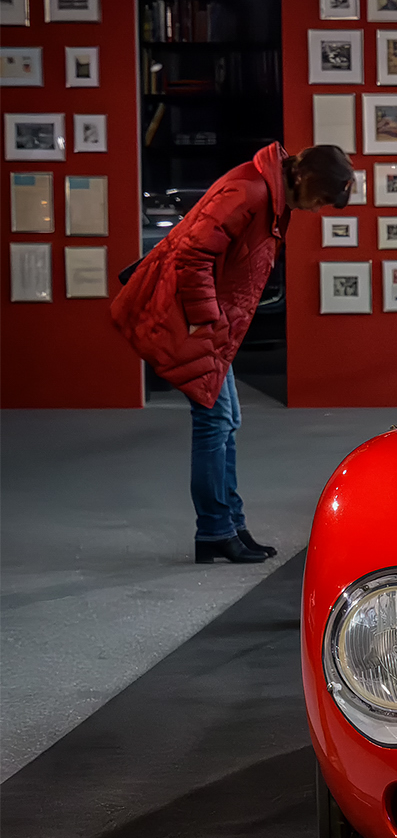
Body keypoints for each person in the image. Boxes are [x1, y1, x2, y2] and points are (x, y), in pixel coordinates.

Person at [111, 143, 353, 563]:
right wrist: (207, 319)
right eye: (320, 199)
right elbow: (192, 254)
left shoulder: (267, 194)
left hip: (215, 327)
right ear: (304, 178)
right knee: (214, 424)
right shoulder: (251, 191)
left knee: (226, 421)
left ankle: (230, 525)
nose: (317, 210)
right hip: (198, 324)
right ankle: (215, 530)